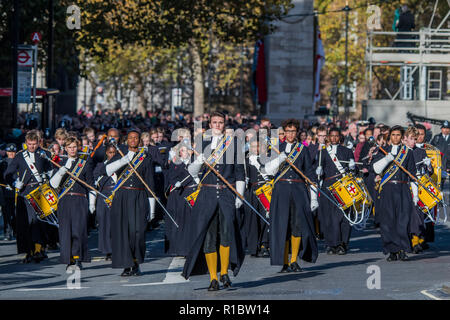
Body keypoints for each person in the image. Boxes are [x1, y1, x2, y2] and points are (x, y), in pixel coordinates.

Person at [182, 111, 245, 291]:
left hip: (227, 195)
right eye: (214, 122)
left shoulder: (234, 143)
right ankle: (213, 278)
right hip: (207, 195)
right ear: (210, 124)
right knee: (209, 238)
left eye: (220, 122)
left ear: (224, 124)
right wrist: (200, 160)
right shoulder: (202, 143)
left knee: (226, 236)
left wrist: (239, 195)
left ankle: (224, 272)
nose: (217, 125)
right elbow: (192, 172)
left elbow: (240, 172)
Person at [262, 118, 318, 272]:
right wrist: (280, 159)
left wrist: (314, 197)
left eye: (293, 131)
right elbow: (268, 171)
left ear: (297, 132)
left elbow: (310, 173)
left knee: (297, 226)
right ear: (284, 133)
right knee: (282, 226)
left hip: (299, 190)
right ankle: (284, 261)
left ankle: (294, 260)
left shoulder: (302, 149)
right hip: (281, 190)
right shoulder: (276, 148)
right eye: (288, 131)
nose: (290, 134)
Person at [98, 129, 156, 276]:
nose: (133, 140)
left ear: (140, 141)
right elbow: (106, 170)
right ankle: (126, 264)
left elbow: (150, 183)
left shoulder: (146, 158)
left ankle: (136, 262)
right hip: (122, 196)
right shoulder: (120, 155)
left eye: (136, 138)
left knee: (137, 231)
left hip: (139, 196)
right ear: (126, 140)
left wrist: (152, 207)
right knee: (123, 232)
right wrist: (123, 160)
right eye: (130, 138)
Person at [4, 130, 53, 263]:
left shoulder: (44, 155)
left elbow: (50, 170)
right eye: (29, 144)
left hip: (39, 192)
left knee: (39, 222)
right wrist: (15, 182)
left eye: (34, 144)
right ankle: (28, 251)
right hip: (25, 193)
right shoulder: (20, 156)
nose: (31, 146)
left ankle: (39, 249)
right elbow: (8, 173)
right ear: (26, 143)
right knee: (25, 223)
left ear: (38, 143)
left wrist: (47, 177)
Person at [372, 125, 416, 261]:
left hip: (403, 190)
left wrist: (416, 196)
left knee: (403, 221)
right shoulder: (383, 151)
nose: (395, 137)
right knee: (388, 222)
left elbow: (413, 176)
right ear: (389, 137)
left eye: (398, 135)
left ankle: (403, 249)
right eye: (393, 135)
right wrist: (387, 159)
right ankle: (392, 250)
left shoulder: (408, 153)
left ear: (402, 137)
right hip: (387, 190)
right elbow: (375, 169)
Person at [49, 136, 94, 269]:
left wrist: (92, 203)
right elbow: (53, 184)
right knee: (65, 231)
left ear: (78, 147)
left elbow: (90, 185)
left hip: (80, 199)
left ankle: (77, 258)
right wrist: (61, 172)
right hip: (64, 200)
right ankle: (68, 259)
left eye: (74, 147)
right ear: (65, 148)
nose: (72, 149)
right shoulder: (60, 162)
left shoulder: (84, 164)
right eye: (69, 147)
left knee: (78, 230)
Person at [316, 127, 356, 255]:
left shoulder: (347, 151)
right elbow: (319, 170)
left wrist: (352, 167)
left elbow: (353, 171)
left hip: (343, 186)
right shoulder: (323, 152)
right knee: (328, 216)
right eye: (331, 136)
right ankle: (331, 243)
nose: (334, 138)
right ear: (328, 137)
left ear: (340, 137)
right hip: (328, 187)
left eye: (336, 136)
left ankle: (343, 243)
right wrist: (319, 171)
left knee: (344, 216)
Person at [243, 138, 272, 258]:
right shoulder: (246, 160)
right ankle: (254, 246)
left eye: (258, 146)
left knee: (266, 219)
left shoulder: (267, 159)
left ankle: (264, 244)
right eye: (254, 146)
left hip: (266, 191)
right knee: (253, 220)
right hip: (253, 193)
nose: (256, 149)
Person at [93, 143, 118, 261]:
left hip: (117, 195)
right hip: (104, 196)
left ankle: (117, 248)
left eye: (114, 153)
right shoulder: (100, 166)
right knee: (105, 224)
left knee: (116, 224)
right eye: (110, 152)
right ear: (106, 153)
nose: (112, 155)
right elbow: (95, 181)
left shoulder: (121, 165)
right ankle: (108, 250)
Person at [0, 143, 17, 240]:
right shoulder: (3, 163)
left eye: (13, 152)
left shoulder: (18, 161)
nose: (11, 154)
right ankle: (7, 232)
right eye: (9, 152)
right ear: (6, 152)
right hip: (5, 191)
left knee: (16, 213)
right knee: (6, 213)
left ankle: (15, 231)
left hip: (16, 191)